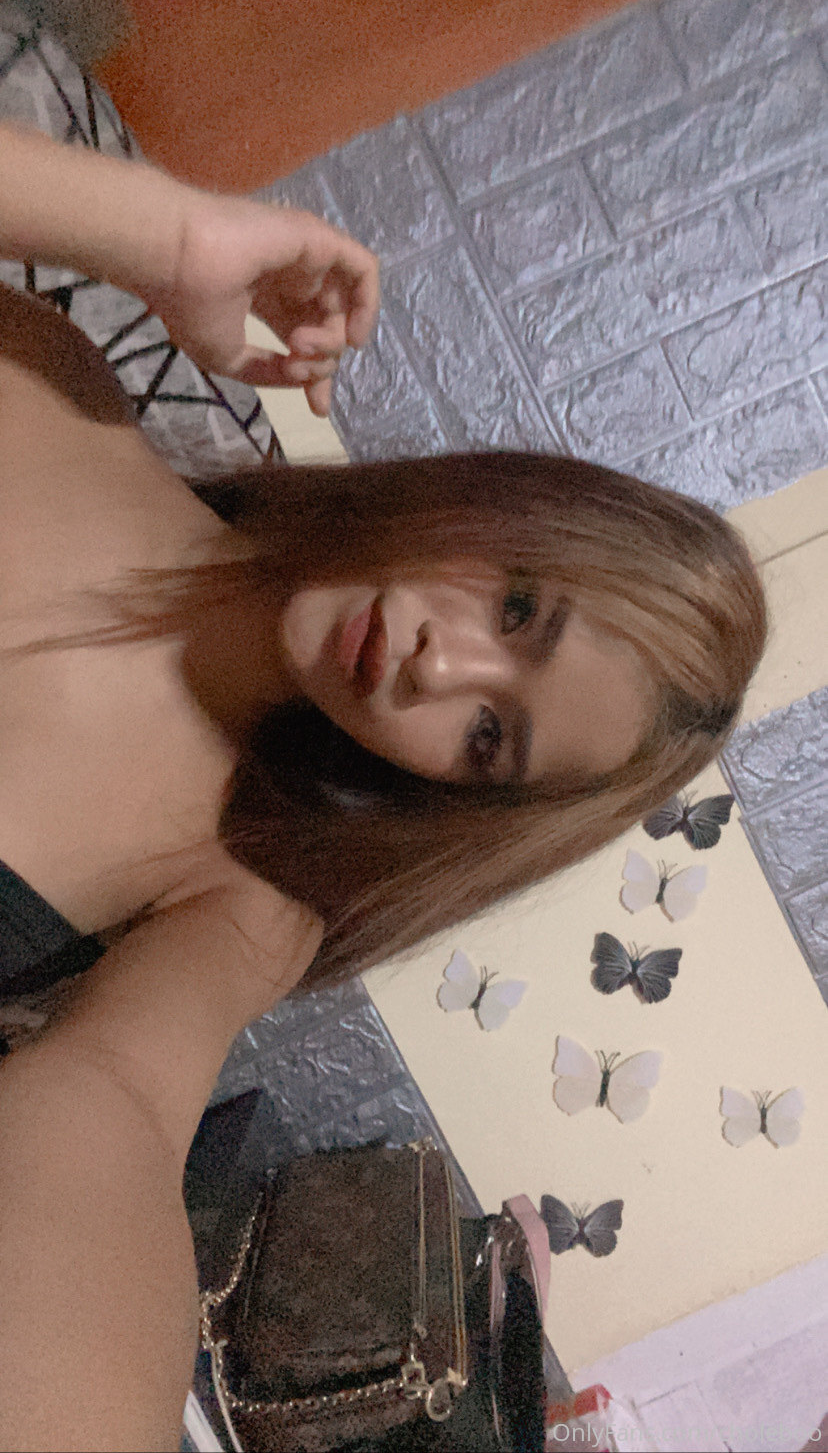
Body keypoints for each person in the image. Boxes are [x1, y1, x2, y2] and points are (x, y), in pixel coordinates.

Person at [0, 121, 767, 1449]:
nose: (439, 667)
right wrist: (162, 234)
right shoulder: (49, 379)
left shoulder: (245, 896)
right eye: (517, 607)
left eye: (488, 736)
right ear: (500, 501)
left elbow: (110, 1111)